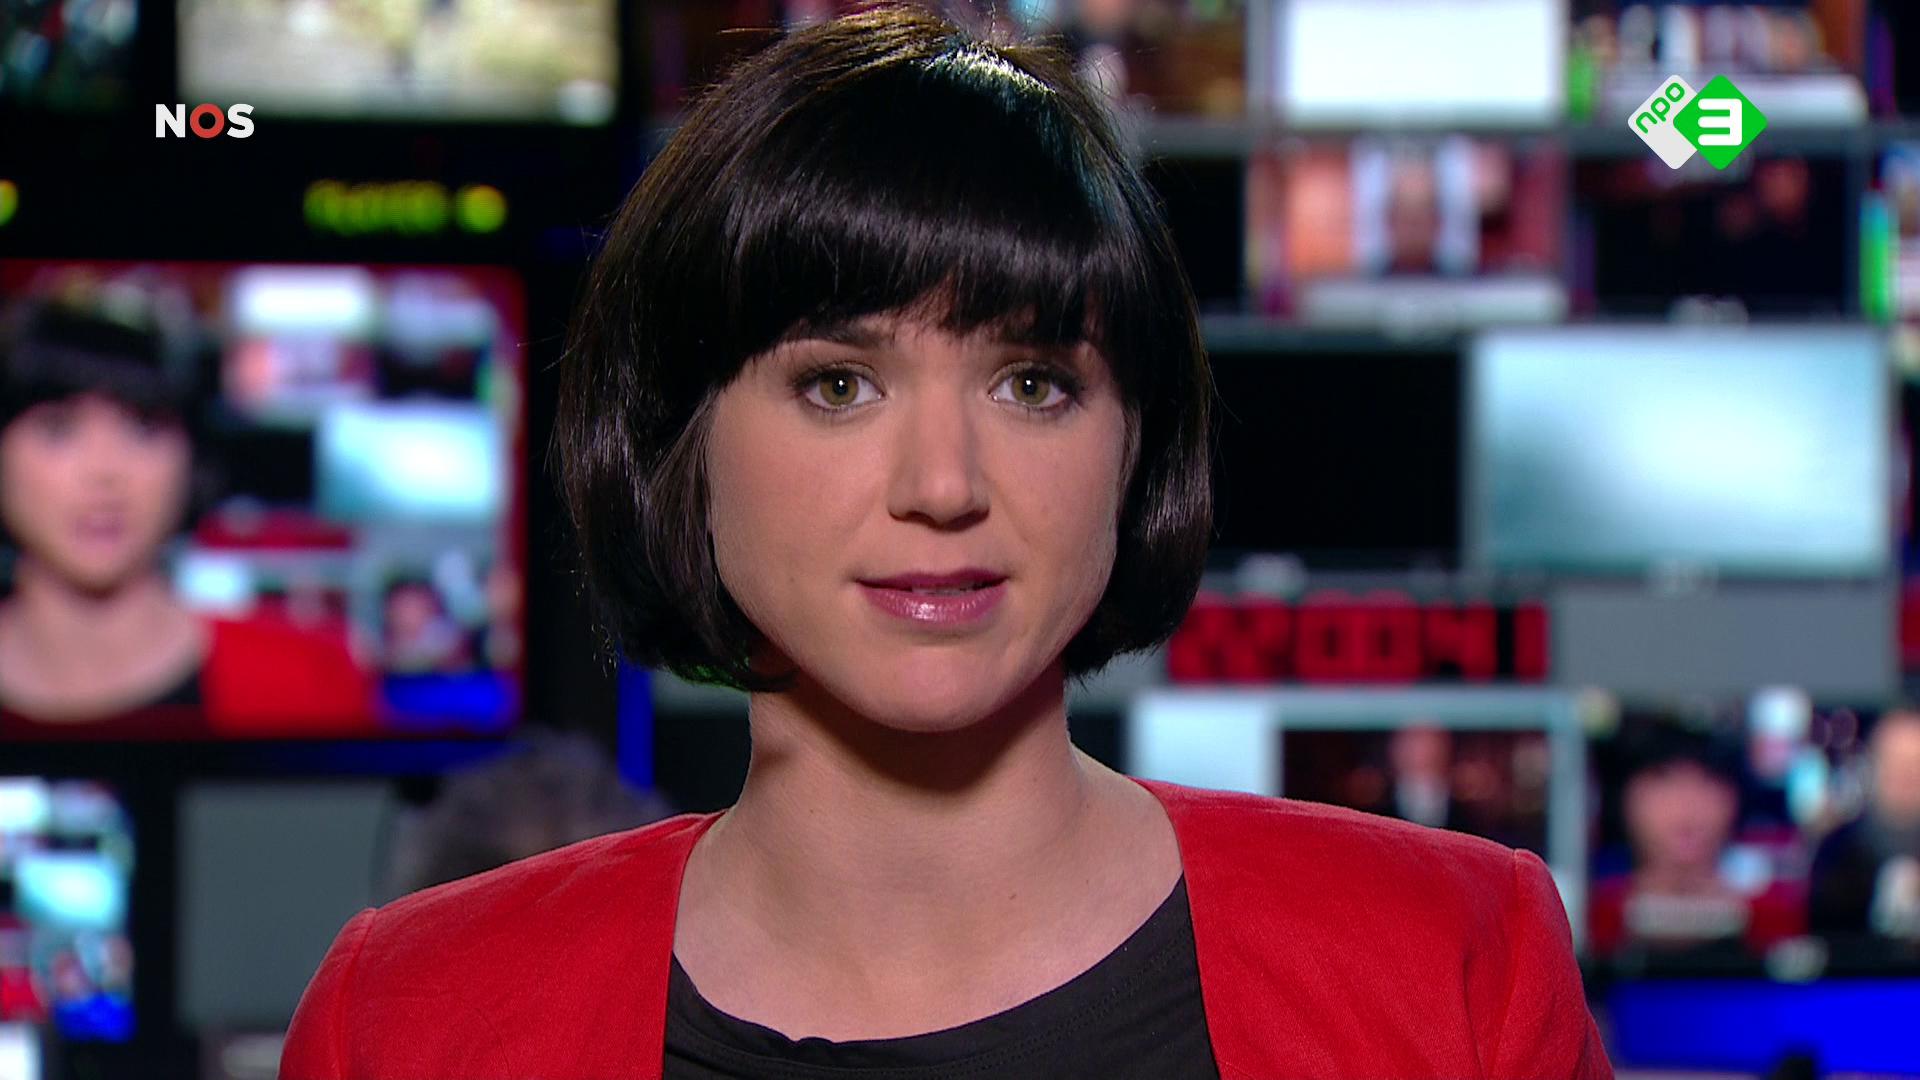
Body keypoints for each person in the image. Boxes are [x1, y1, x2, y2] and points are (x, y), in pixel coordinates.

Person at [281, 7, 1610, 1078]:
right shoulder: (407, 1020)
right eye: (838, 384)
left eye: (1032, 383)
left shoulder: (1451, 964)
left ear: (1136, 444)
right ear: (680, 439)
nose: (942, 484)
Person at [0, 294, 376, 737]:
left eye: (143, 428)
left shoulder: (311, 681)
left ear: (191, 459)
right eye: (59, 429)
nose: (105, 471)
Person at [1588, 723, 1804, 959]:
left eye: (1706, 781)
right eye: (1665, 779)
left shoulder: (1777, 917)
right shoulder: (1588, 913)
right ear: (1626, 797)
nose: (1687, 804)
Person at [1810, 708, 1920, 941]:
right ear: (1874, 766)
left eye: (1915, 764)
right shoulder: (1836, 851)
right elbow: (1824, 935)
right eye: (1895, 762)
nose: (1906, 776)